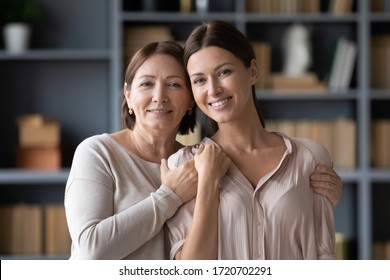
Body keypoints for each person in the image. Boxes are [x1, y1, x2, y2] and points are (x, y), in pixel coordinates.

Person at [64, 40, 341, 260]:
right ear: (128, 95)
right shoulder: (98, 153)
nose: (159, 96)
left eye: (174, 84)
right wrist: (169, 196)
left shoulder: (194, 160)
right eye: (147, 83)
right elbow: (91, 251)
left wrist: (311, 196)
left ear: (190, 101)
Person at [166, 20, 338, 260]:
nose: (213, 89)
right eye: (199, 80)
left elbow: (323, 255)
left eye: (224, 72)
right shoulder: (183, 165)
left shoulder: (309, 158)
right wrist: (208, 180)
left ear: (253, 72)